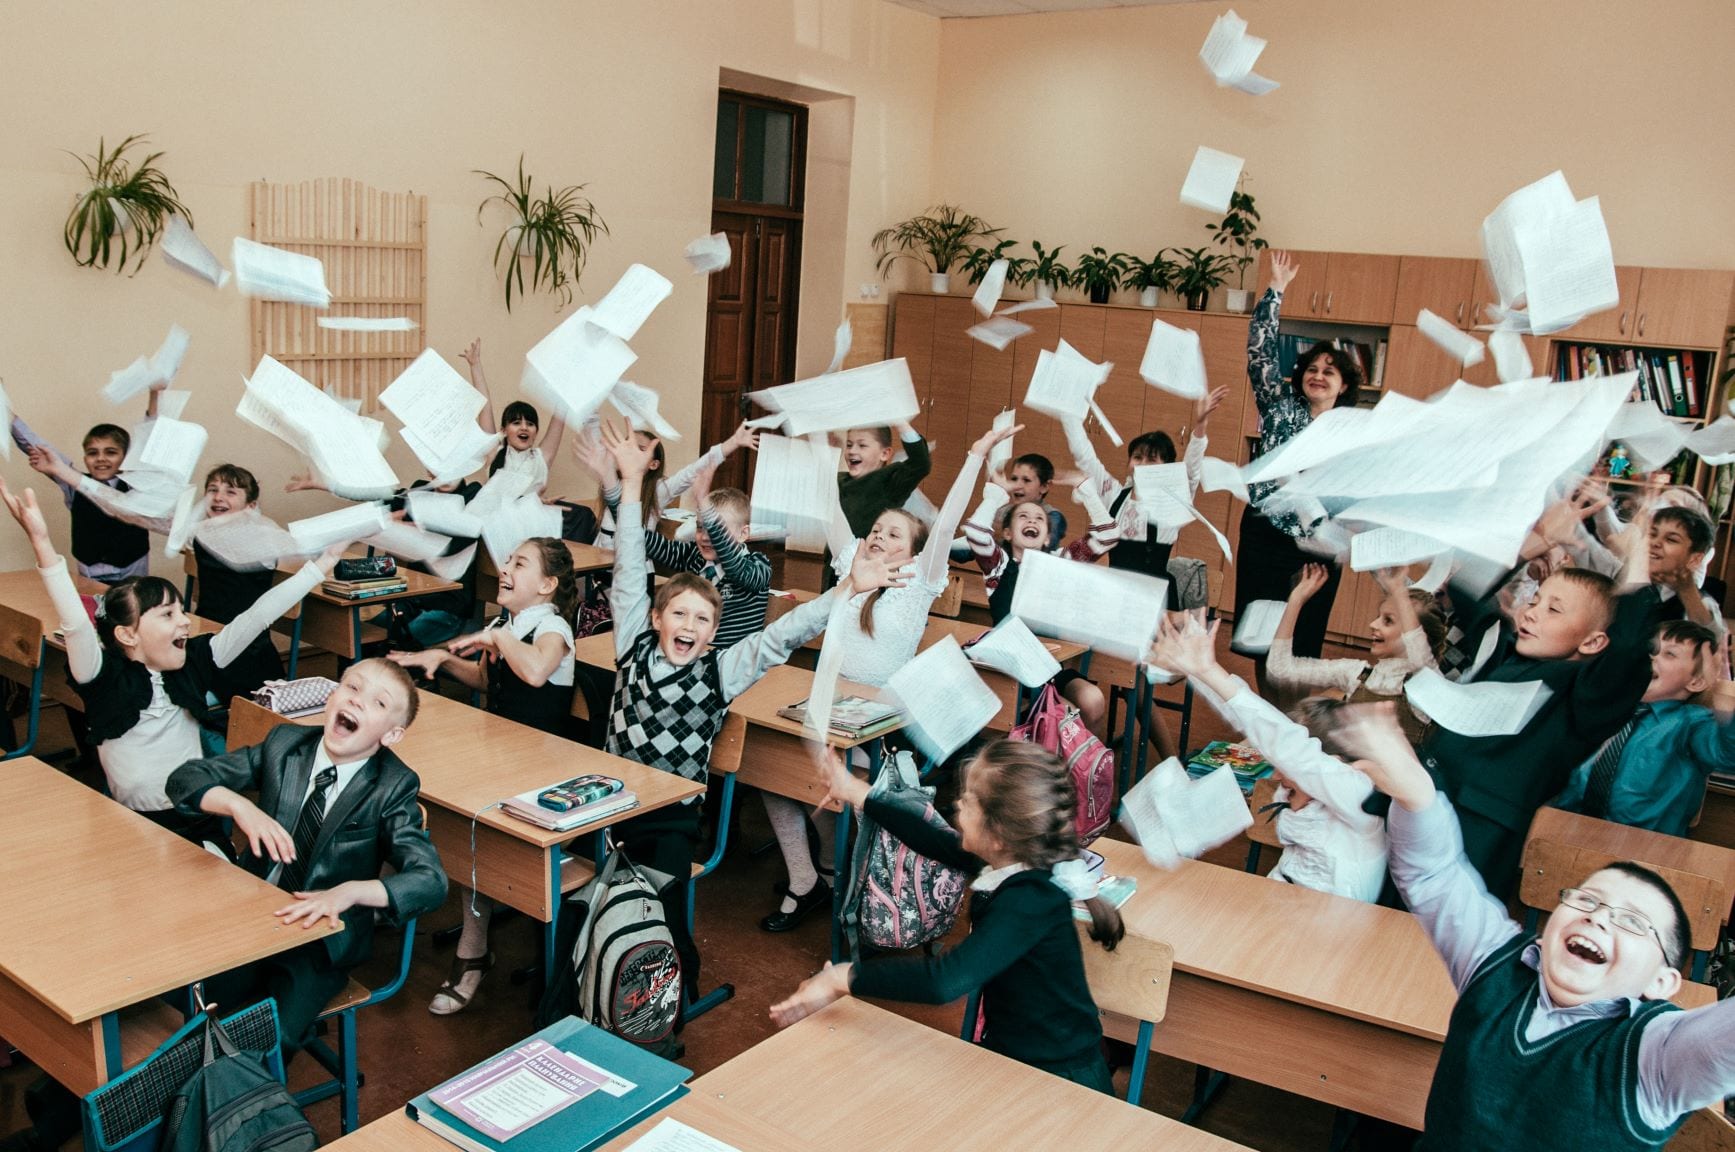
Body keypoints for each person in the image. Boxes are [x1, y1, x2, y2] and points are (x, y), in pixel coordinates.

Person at [600, 420, 900, 1012]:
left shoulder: (720, 669)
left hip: (668, 814)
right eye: (679, 614)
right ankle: (598, 988)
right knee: (594, 901)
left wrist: (846, 592)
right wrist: (632, 486)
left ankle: (667, 1002)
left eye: (702, 621)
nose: (688, 627)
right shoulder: (631, 642)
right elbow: (630, 565)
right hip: (612, 797)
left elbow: (784, 634)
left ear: (714, 634)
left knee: (655, 911)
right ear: (656, 617)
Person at [1345, 702, 1735, 1151]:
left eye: (1632, 922)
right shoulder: (1496, 960)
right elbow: (1435, 875)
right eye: (1586, 899)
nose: (1599, 916)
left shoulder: (1656, 1055)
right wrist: (1418, 795)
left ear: (1662, 981)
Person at [760, 421, 1020, 933]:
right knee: (768, 770)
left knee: (843, 784)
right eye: (877, 529)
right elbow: (834, 510)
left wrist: (975, 452)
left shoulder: (920, 580)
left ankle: (856, 885)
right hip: (829, 705)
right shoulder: (850, 567)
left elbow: (945, 523)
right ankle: (807, 878)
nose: (879, 535)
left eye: (893, 533)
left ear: (915, 550)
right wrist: (816, 445)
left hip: (881, 722)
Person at [769, 739, 1124, 1093]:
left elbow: (944, 981)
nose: (957, 804)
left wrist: (843, 976)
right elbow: (932, 838)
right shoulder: (1012, 861)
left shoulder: (1030, 899)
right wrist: (856, 791)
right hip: (1019, 1063)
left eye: (968, 801)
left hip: (1062, 1083)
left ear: (997, 834)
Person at [0, 479, 342, 839]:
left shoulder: (193, 658)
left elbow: (256, 616)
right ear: (127, 634)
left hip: (197, 812)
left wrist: (321, 567)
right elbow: (75, 624)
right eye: (167, 615)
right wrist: (41, 543)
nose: (183, 621)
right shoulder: (101, 677)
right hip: (135, 821)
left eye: (181, 610)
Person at [167, 658, 448, 1059]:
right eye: (352, 687)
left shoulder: (393, 784)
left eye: (379, 703)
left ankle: (227, 1105)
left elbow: (431, 881)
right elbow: (184, 780)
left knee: (269, 1040)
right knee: (184, 1006)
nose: (358, 701)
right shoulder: (285, 745)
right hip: (253, 913)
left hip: (319, 941)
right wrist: (239, 807)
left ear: (392, 734)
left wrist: (348, 893)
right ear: (331, 695)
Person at [389, 536, 578, 1013]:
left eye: (520, 563)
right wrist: (443, 660)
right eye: (508, 559)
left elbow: (535, 672)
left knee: (476, 834)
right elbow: (486, 681)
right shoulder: (507, 623)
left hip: (540, 771)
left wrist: (497, 638)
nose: (506, 568)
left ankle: (473, 954)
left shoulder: (552, 627)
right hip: (502, 755)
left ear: (547, 585)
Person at [1419, 530, 1657, 901]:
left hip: (1476, 836)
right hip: (1421, 802)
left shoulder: (1582, 697)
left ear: (1593, 642)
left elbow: (1628, 645)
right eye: (1537, 599)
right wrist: (1540, 539)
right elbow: (1468, 590)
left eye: (1554, 609)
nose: (1532, 612)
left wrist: (1637, 551)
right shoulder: (1508, 653)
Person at [1149, 616, 1386, 901]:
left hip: (1328, 930)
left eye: (1284, 768)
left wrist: (1208, 670)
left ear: (1332, 762)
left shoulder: (1356, 794)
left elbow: (1283, 742)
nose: (1275, 775)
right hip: (1279, 905)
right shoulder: (1305, 787)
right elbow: (1253, 724)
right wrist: (1198, 672)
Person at [1236, 251, 1363, 689]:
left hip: (1316, 541)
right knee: (1261, 634)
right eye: (1313, 368)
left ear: (1344, 385)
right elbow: (1260, 350)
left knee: (1302, 638)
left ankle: (1290, 718)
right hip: (1265, 534)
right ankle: (1266, 708)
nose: (1320, 375)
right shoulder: (1279, 407)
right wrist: (1275, 290)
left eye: (1330, 371)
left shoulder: (1352, 432)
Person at [960, 458, 1117, 737]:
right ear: (1007, 533)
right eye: (1023, 517)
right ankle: (1051, 767)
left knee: (1092, 700)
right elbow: (975, 532)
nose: (1032, 520)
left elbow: (1107, 536)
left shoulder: (1059, 561)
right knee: (1066, 716)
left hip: (1050, 668)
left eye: (1039, 519)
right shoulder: (999, 564)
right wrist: (995, 494)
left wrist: (1087, 490)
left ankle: (1076, 769)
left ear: (1046, 537)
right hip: (1010, 669)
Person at [1553, 621, 1735, 837]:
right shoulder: (1604, 707)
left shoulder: (1690, 723)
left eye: (1670, 654)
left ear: (1695, 682)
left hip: (1643, 848)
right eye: (1651, 649)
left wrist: (1723, 697)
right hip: (1565, 827)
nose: (1652, 657)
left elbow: (1727, 755)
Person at [1061, 386, 1224, 587]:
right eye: (1137, 458)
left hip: (1155, 597)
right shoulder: (1114, 495)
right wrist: (1067, 409)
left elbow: (1192, 470)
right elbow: (1085, 456)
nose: (1143, 465)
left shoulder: (1173, 501)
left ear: (1167, 468)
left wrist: (1201, 424)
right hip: (1115, 591)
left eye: (1152, 460)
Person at [1269, 563, 1444, 742]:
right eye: (1378, 616)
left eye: (1388, 621)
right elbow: (1280, 669)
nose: (1373, 624)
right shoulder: (1356, 673)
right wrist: (1296, 601)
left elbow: (1417, 648)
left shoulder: (1425, 680)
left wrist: (1400, 593)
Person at [12, 392, 161, 584]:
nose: (101, 459)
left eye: (111, 452)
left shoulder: (136, 485)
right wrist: (6, 412)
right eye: (93, 453)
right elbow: (37, 446)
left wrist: (155, 394)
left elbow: (151, 440)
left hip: (132, 572)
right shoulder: (74, 483)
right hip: (90, 576)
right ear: (85, 459)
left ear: (125, 458)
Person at [463, 338, 565, 495]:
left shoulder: (542, 458)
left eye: (530, 424)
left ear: (536, 431)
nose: (524, 427)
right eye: (516, 423)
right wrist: (475, 365)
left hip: (532, 517)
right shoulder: (494, 453)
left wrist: (569, 376)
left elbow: (561, 410)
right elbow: (485, 406)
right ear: (503, 431)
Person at [1003, 453, 1067, 547]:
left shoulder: (1053, 516)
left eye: (1026, 480)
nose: (1017, 486)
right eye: (1014, 479)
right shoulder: (1001, 512)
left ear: (1044, 487)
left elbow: (1039, 548)